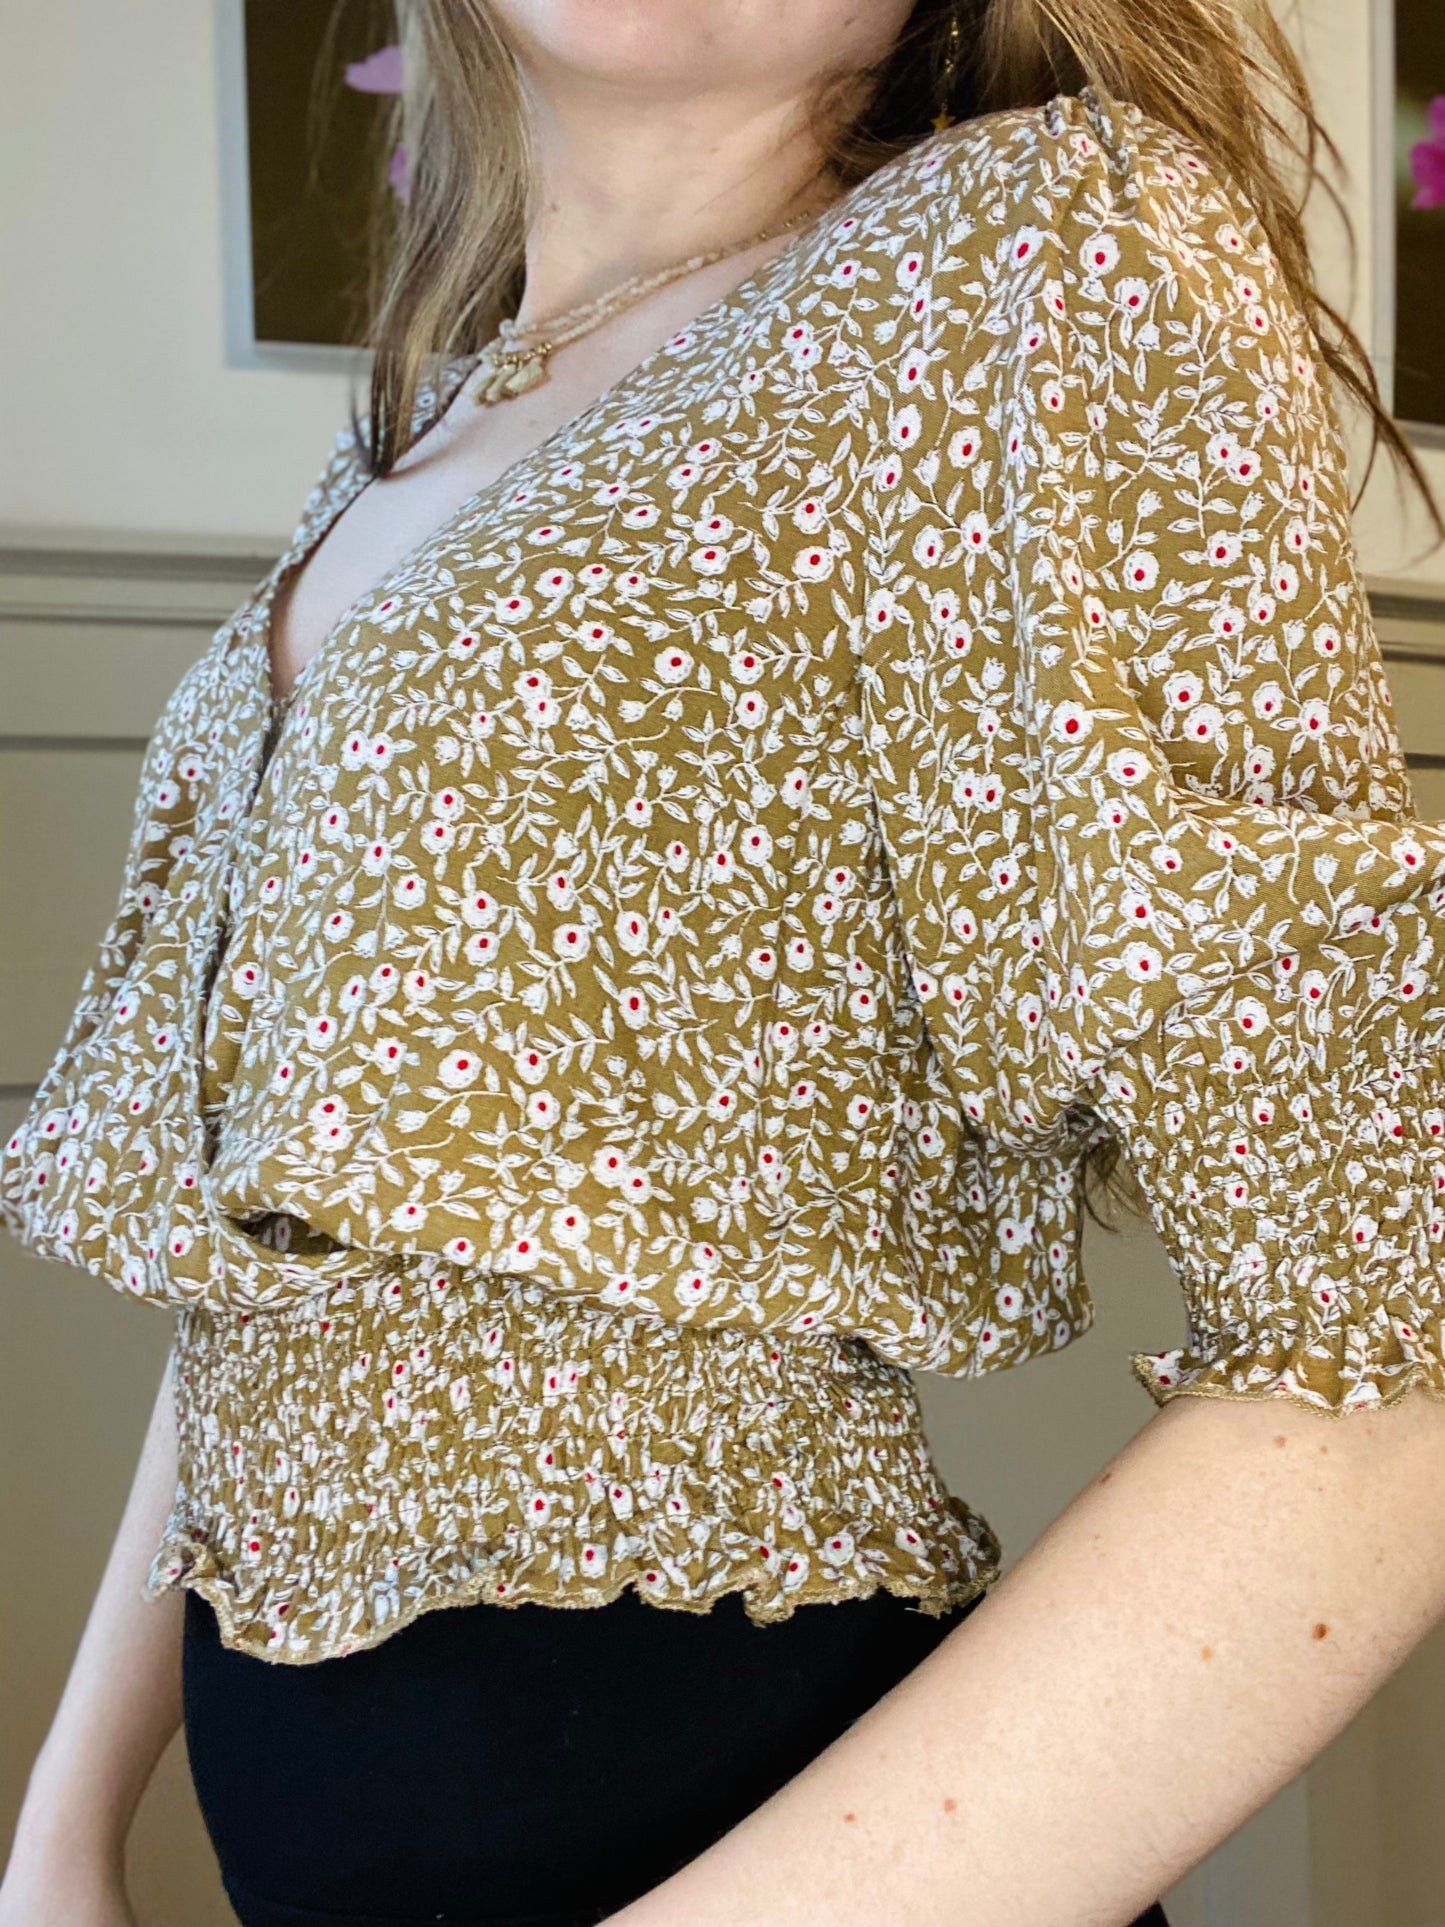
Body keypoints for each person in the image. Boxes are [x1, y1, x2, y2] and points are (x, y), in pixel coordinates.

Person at [4, 2, 1445, 1924]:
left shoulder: (1028, 249)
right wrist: (66, 1827)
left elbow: (1393, 1334)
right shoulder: (437, 419)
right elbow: (286, 1226)